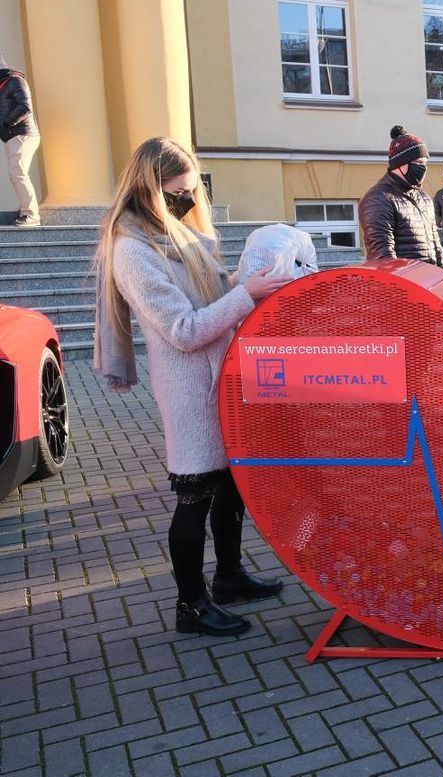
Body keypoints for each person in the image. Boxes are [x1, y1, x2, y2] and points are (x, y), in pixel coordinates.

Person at [93, 137, 290, 637]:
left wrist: (250, 282)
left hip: (221, 381)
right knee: (195, 496)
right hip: (190, 391)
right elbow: (182, 331)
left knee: (230, 486)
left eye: (191, 189)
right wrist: (246, 294)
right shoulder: (132, 250)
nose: (188, 200)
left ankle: (228, 576)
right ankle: (190, 604)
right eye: (179, 192)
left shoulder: (175, 234)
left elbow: (216, 296)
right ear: (151, 190)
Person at [359, 125, 443, 265]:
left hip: (428, 282)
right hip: (404, 284)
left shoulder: (423, 197)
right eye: (418, 162)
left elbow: (436, 246)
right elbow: (384, 258)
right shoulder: (378, 199)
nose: (423, 168)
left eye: (425, 163)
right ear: (400, 163)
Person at [0, 52, 40, 227]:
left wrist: (6, 123)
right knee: (16, 174)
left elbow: (25, 107)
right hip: (12, 136)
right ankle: (26, 210)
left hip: (22, 134)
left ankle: (31, 215)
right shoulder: (2, 86)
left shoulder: (14, 81)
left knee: (18, 173)